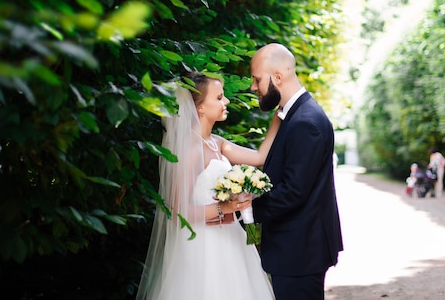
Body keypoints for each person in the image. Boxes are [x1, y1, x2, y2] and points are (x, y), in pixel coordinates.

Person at [136, 71, 280, 300]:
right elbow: (175, 211)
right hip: (202, 245)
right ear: (200, 108)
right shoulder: (189, 151)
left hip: (230, 236)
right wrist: (226, 207)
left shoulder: (217, 143)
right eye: (220, 97)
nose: (227, 101)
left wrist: (279, 117)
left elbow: (261, 156)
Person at [249, 43, 343, 300]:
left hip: (300, 251)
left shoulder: (305, 122)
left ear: (278, 77)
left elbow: (293, 192)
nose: (253, 86)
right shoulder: (294, 116)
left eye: (257, 79)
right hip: (297, 249)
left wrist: (246, 210)